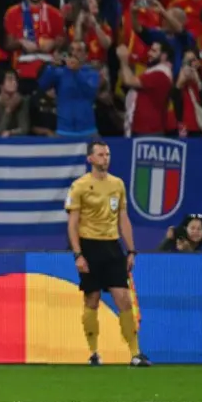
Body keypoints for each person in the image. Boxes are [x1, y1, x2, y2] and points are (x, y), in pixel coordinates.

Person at [65, 140, 150, 367]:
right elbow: (72, 224)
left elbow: (123, 218)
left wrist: (131, 249)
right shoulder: (80, 186)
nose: (105, 158)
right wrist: (78, 255)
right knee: (92, 298)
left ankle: (135, 353)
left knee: (123, 297)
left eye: (107, 154)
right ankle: (93, 352)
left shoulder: (117, 185)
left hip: (112, 246)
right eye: (101, 154)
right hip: (89, 245)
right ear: (90, 158)